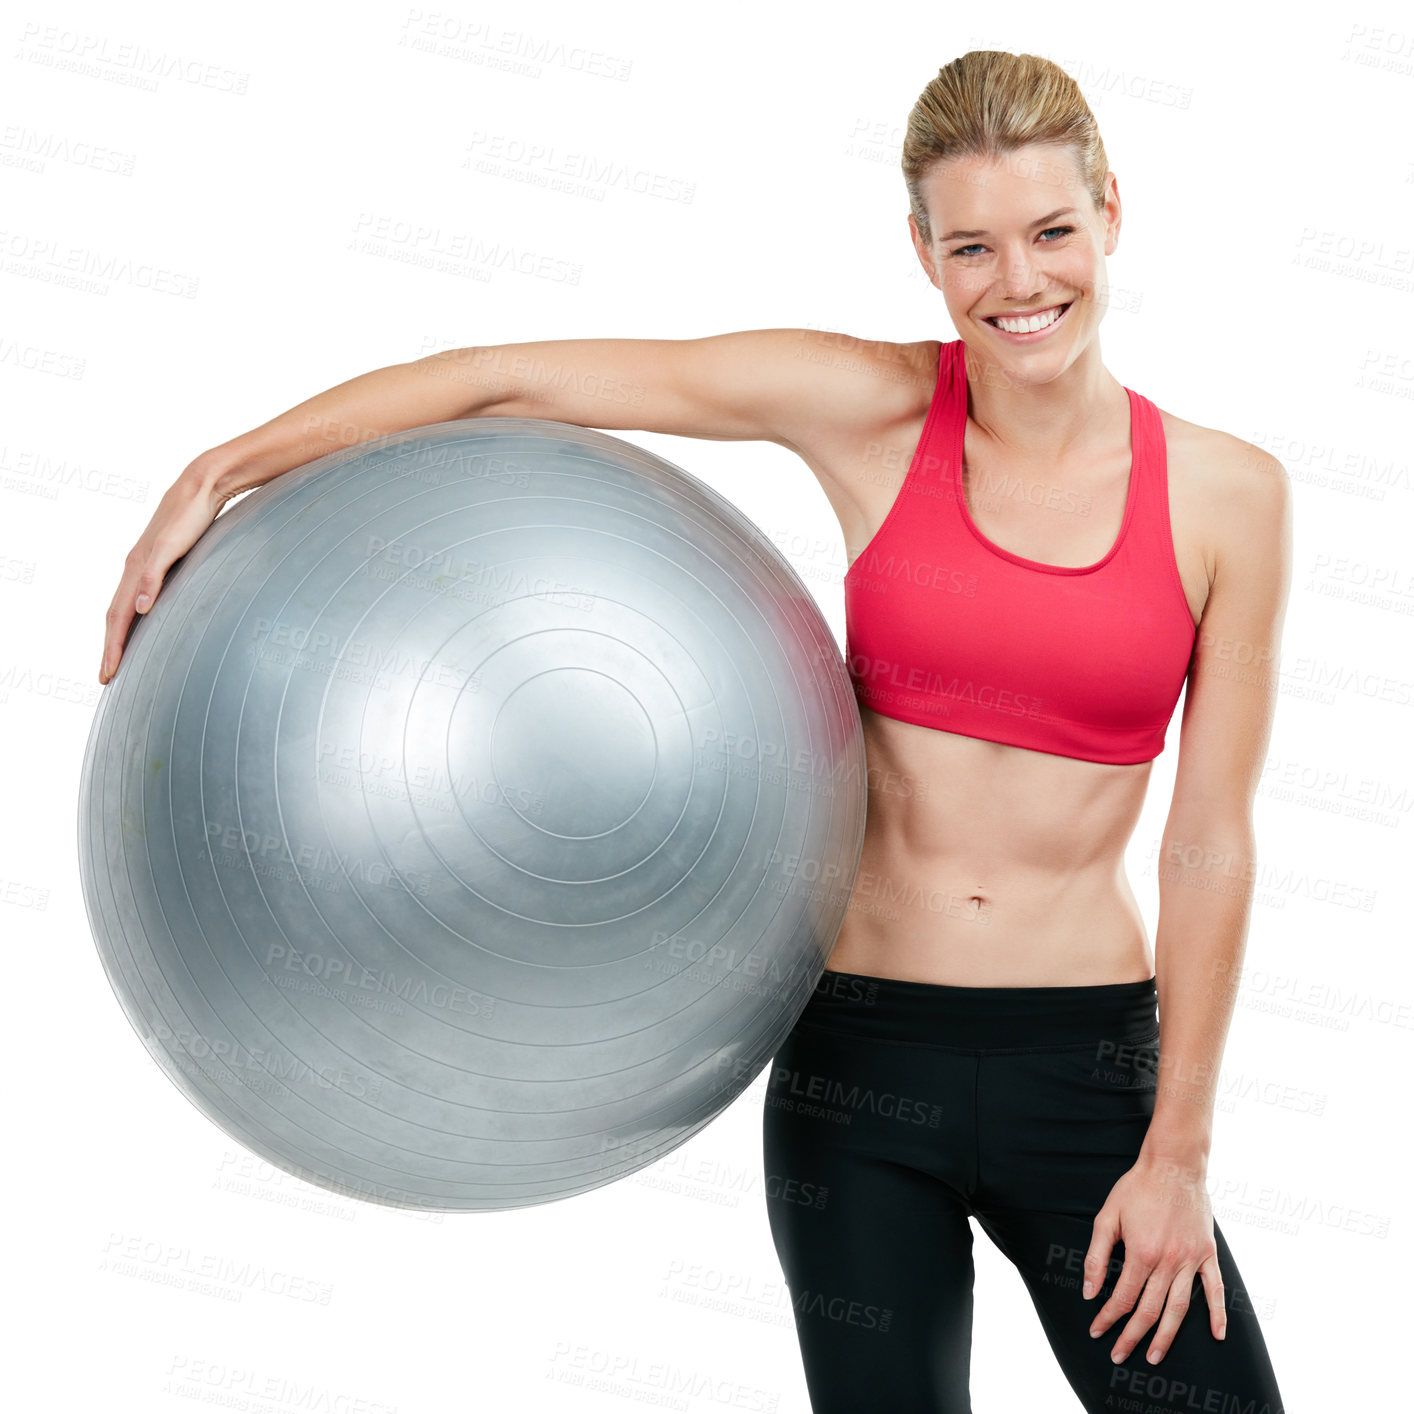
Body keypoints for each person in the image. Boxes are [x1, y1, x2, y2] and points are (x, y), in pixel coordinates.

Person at [98, 48, 1288, 1414]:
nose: (1018, 284)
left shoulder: (1226, 495)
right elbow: (508, 381)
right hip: (858, 1062)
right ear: (923, 253)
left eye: (1050, 232)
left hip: (1085, 1070)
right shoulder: (867, 408)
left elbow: (1209, 839)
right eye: (972, 247)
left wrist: (1177, 1146)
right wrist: (218, 470)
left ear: (1110, 215)